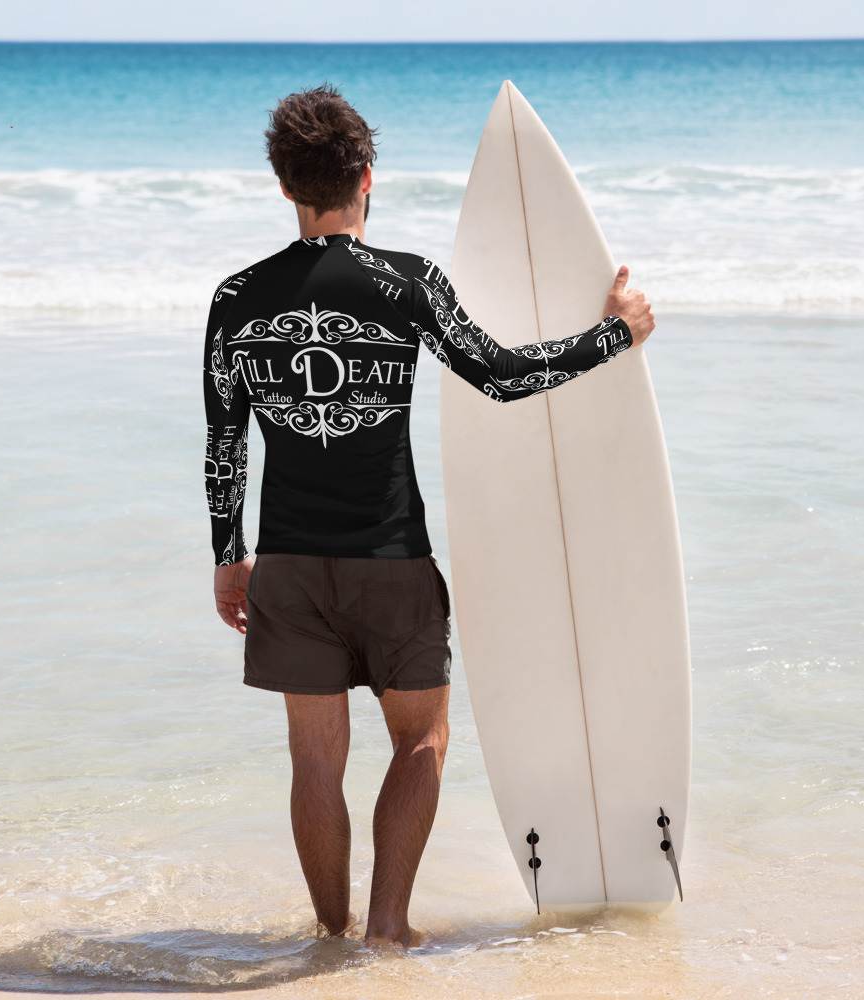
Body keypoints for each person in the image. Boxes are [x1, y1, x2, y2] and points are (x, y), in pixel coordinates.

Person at [202, 84, 655, 948]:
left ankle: (329, 937)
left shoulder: (237, 298)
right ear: (367, 176)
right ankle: (387, 929)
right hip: (392, 564)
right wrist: (613, 335)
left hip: (289, 565)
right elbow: (500, 375)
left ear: (284, 185)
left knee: (314, 759)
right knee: (421, 742)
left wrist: (231, 557)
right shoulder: (405, 282)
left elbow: (225, 445)